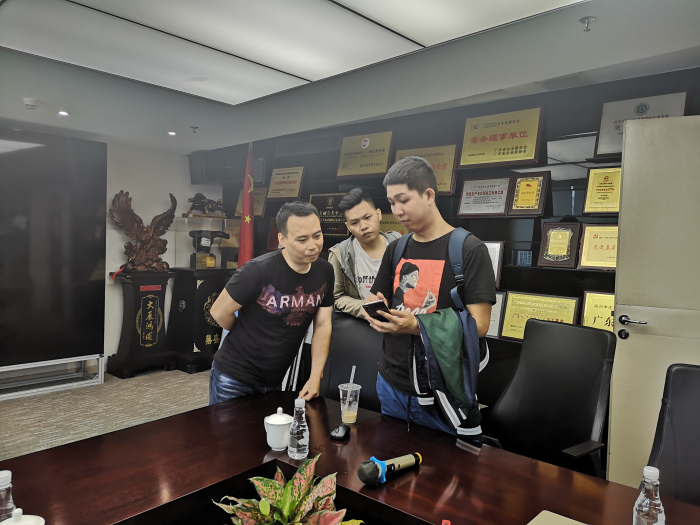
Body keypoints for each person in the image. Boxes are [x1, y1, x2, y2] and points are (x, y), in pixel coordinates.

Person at [366, 156, 496, 437]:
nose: (397, 211)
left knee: (448, 465)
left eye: (404, 200)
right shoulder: (397, 248)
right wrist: (376, 309)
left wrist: (417, 326)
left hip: (443, 390)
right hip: (391, 383)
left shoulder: (469, 249)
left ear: (428, 195)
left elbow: (480, 324)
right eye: (391, 203)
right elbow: (380, 296)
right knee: (389, 459)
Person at [209, 201, 334, 404]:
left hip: (275, 377)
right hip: (234, 376)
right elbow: (219, 311)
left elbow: (323, 324)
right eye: (302, 239)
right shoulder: (258, 270)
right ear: (282, 239)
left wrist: (315, 376)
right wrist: (243, 331)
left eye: (317, 236)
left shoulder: (325, 271)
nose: (313, 245)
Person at [328, 188, 401, 318]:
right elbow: (336, 296)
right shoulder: (339, 254)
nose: (363, 226)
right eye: (355, 222)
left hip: (400, 321)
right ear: (348, 226)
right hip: (363, 324)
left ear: (378, 214)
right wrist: (365, 308)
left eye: (367, 217)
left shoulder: (398, 244)